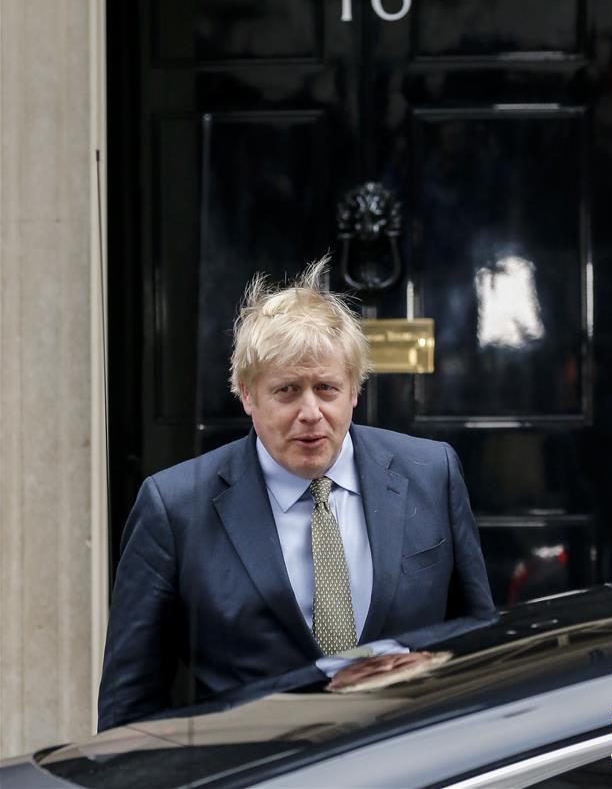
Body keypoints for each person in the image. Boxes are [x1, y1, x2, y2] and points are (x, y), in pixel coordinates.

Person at [98, 258, 494, 731]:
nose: (310, 412)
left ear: (354, 391)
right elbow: (129, 705)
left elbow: (478, 645)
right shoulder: (174, 507)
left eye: (326, 388)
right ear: (247, 394)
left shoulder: (432, 472)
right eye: (287, 390)